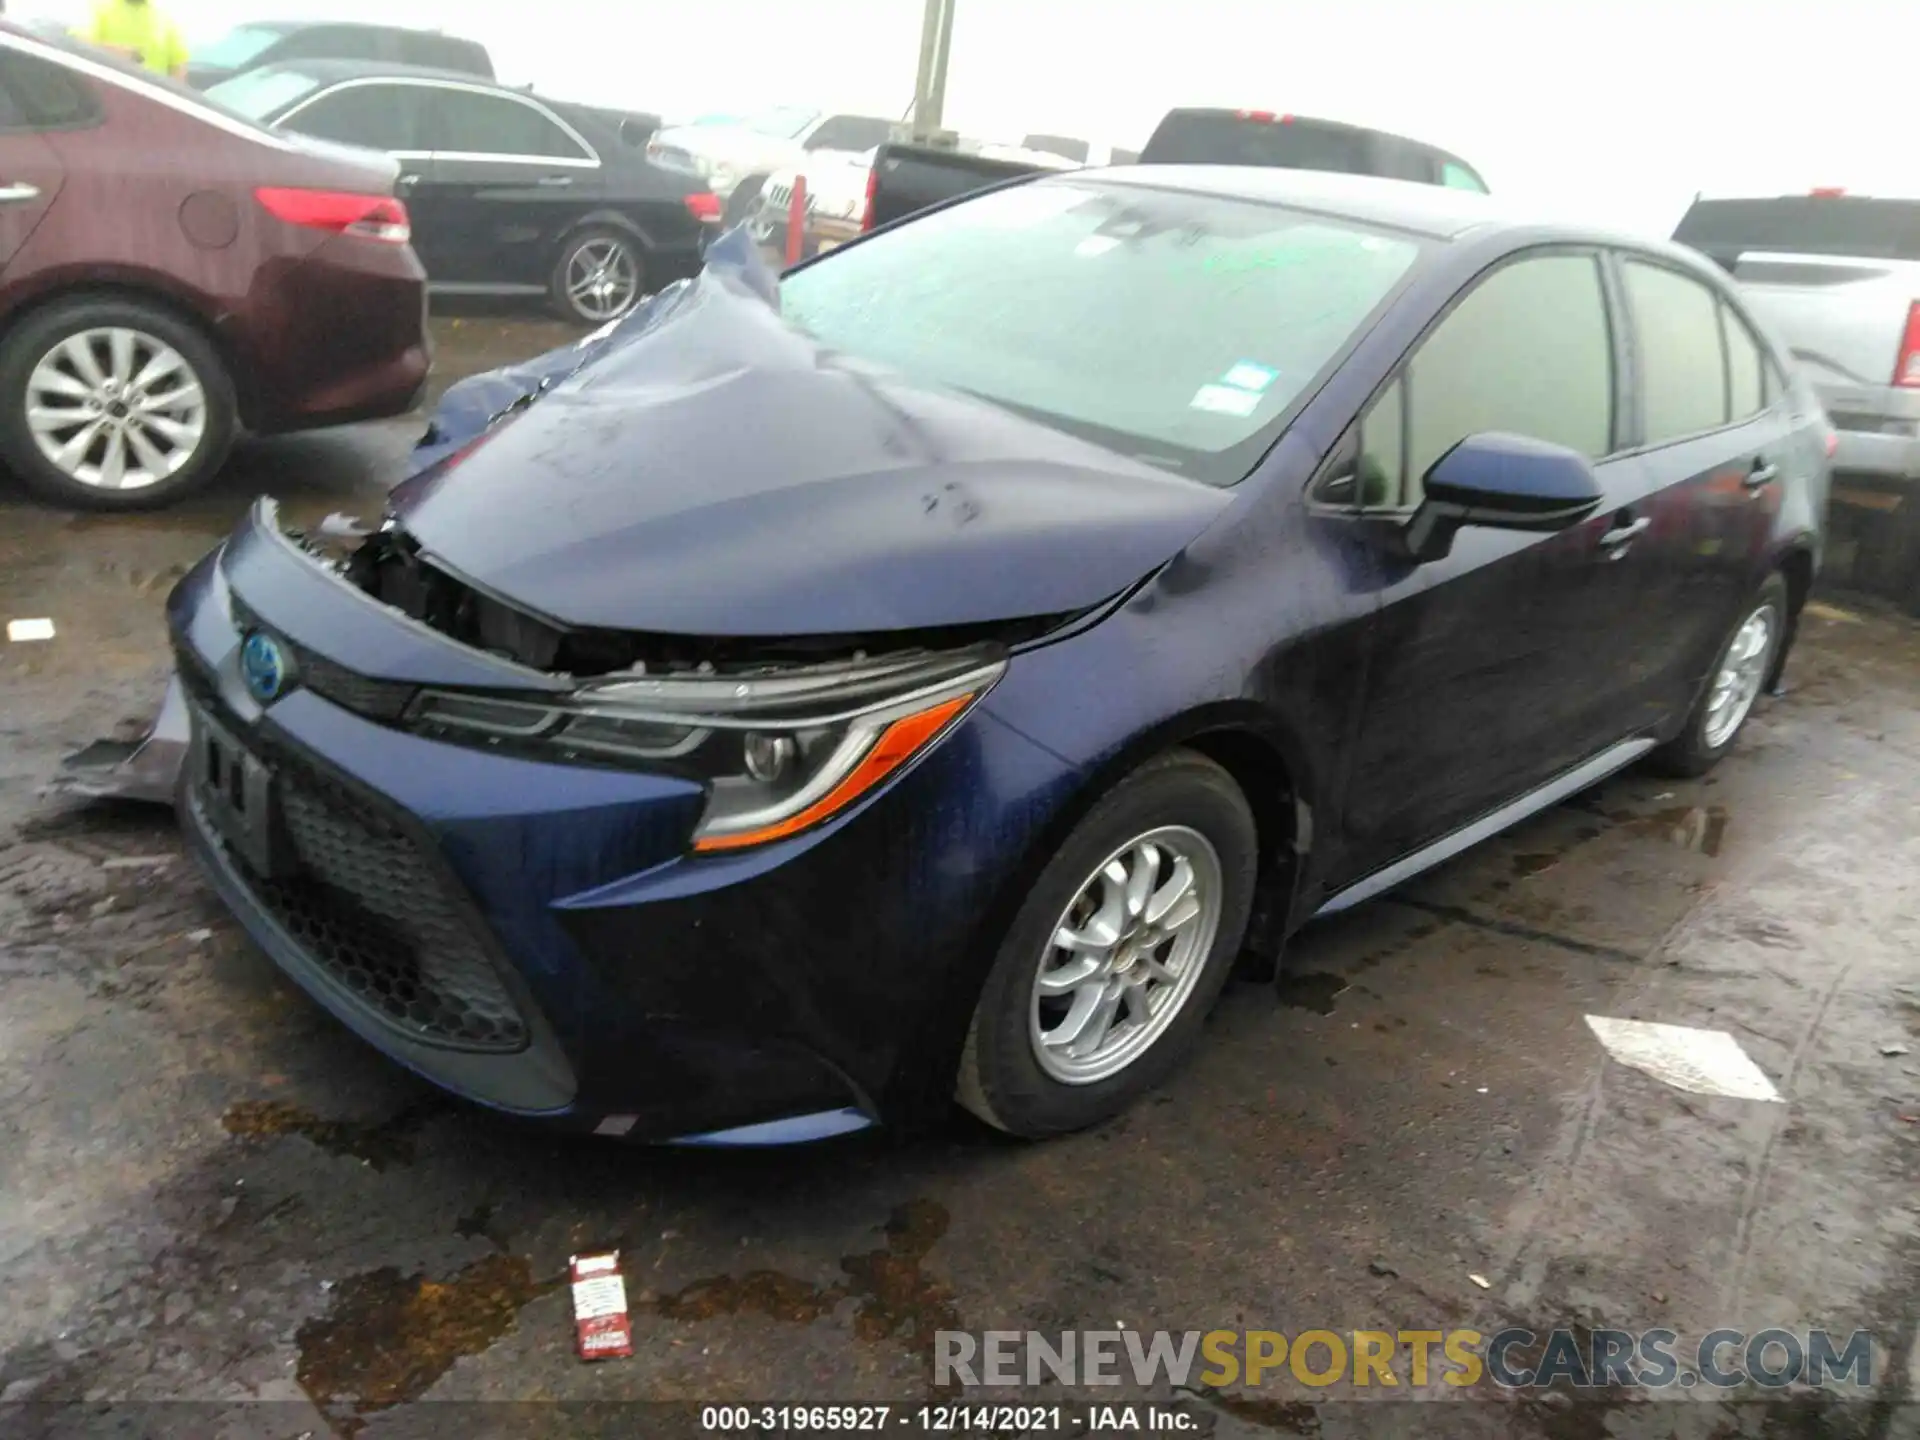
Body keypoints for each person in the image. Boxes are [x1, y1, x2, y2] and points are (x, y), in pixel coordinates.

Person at [84, 0, 188, 81]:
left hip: (153, 103)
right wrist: (120, 54)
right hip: (108, 98)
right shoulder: (98, 7)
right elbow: (80, 46)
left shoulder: (166, 20)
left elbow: (178, 70)